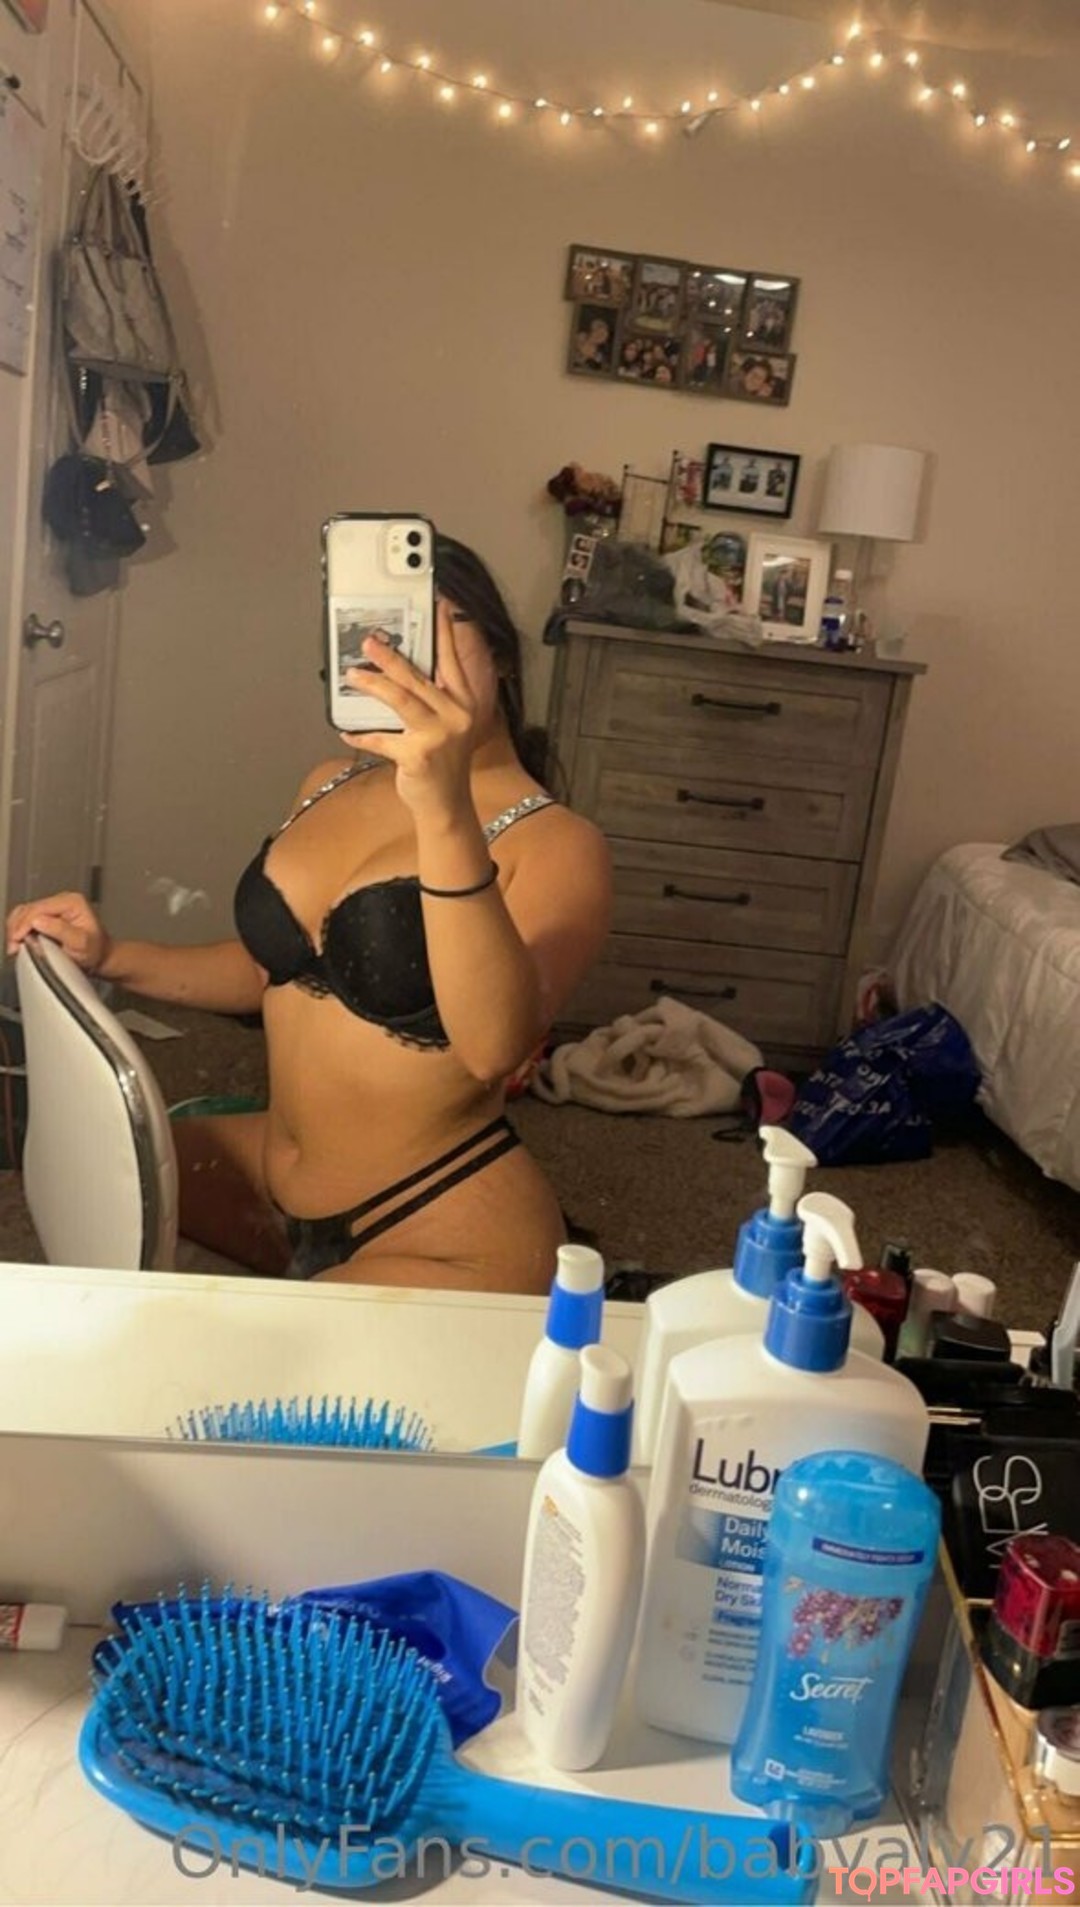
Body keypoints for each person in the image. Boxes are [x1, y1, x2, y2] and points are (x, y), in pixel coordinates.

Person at [6, 537, 613, 1295]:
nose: (408, 656)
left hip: (438, 1223)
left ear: (502, 655)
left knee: (256, 1366)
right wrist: (111, 955)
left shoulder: (558, 844)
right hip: (268, 1175)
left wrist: (443, 804)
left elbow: (494, 1048)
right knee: (92, 1177)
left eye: (437, 625)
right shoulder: (329, 782)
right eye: (387, 630)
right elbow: (272, 970)